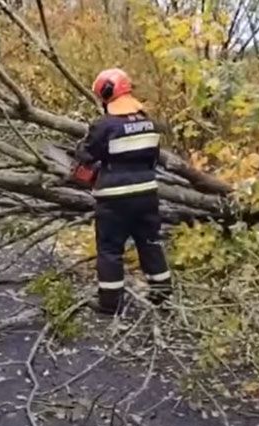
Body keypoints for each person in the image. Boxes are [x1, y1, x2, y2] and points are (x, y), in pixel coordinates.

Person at [75, 68, 172, 315]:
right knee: (150, 242)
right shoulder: (148, 123)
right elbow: (153, 158)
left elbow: (86, 156)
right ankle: (162, 295)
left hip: (114, 198)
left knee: (110, 249)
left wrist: (87, 167)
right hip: (146, 194)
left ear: (106, 94)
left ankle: (109, 304)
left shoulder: (104, 125)